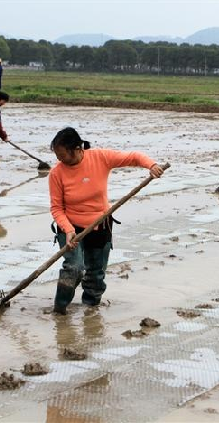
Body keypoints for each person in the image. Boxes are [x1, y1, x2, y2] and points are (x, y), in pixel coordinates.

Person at [48, 127, 164, 314]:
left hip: (99, 223)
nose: (59, 160)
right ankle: (59, 309)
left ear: (78, 149)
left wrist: (151, 165)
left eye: (63, 156)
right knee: (74, 268)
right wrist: (68, 230)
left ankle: (90, 310)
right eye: (57, 156)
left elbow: (133, 157)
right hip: (69, 227)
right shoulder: (56, 173)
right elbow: (56, 208)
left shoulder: (100, 157)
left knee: (96, 273)